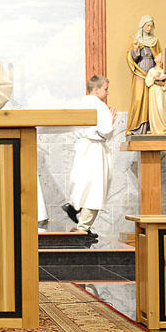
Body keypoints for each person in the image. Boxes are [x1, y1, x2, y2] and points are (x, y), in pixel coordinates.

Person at [62, 75, 117, 238]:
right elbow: (105, 132)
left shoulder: (81, 104)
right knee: (96, 188)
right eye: (106, 89)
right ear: (96, 89)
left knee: (84, 182)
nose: (107, 93)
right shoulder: (99, 106)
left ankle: (74, 205)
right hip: (95, 149)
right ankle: (83, 227)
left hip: (83, 147)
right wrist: (111, 122)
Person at [125, 15, 162, 135]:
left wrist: (158, 71)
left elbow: (159, 56)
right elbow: (131, 58)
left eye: (151, 26)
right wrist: (135, 49)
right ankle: (135, 127)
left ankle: (151, 127)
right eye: (147, 25)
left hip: (151, 74)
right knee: (138, 98)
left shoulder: (155, 41)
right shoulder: (136, 40)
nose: (149, 28)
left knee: (152, 100)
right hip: (140, 73)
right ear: (142, 26)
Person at [145, 53, 166, 135]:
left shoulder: (164, 71)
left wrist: (162, 82)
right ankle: (155, 129)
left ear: (162, 60)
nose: (156, 57)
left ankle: (164, 128)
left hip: (160, 93)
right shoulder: (151, 71)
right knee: (153, 110)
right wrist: (153, 77)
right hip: (153, 93)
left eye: (159, 56)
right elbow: (147, 82)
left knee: (160, 108)